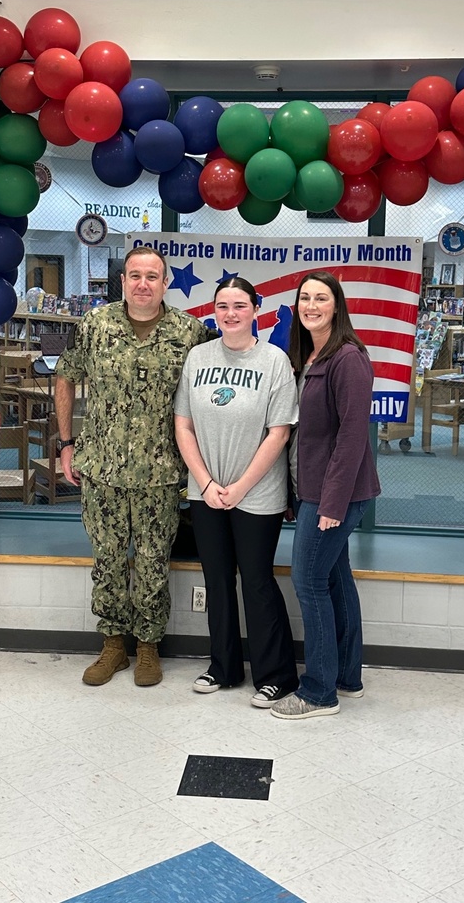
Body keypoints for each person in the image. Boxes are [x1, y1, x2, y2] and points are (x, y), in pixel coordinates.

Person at [55, 246, 210, 688]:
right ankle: (112, 646)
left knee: (151, 561)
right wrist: (67, 444)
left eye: (153, 276)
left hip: (160, 474)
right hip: (101, 469)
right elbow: (66, 376)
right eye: (135, 275)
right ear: (122, 281)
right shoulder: (95, 326)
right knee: (106, 559)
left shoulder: (189, 333)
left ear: (165, 283)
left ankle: (147, 646)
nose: (143, 283)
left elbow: (204, 396)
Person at [174, 277, 299, 707]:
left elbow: (278, 433)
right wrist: (207, 484)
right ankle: (222, 667)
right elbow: (183, 425)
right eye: (223, 305)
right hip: (205, 492)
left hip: (258, 494)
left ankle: (276, 675)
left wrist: (241, 487)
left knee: (257, 582)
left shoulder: (274, 361)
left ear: (254, 309)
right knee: (218, 581)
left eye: (240, 305)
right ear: (214, 311)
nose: (230, 313)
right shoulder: (197, 358)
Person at [270, 271, 381, 720]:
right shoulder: (310, 355)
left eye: (321, 298)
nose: (311, 305)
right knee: (335, 580)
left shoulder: (347, 358)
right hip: (314, 489)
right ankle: (347, 677)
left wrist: (331, 505)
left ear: (337, 305)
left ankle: (318, 692)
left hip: (336, 495)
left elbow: (353, 437)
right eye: (304, 298)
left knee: (309, 582)